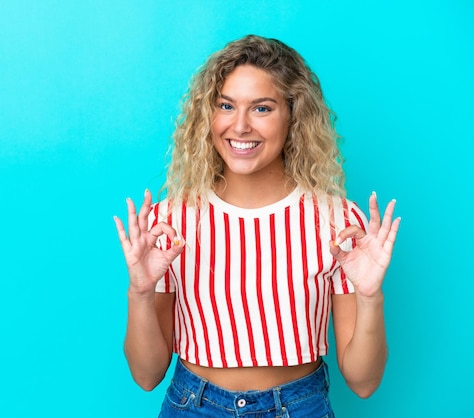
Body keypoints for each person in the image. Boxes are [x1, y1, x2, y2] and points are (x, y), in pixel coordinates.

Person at [114, 35, 400, 417]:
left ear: (293, 115)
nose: (241, 125)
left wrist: (369, 298)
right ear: (208, 116)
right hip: (193, 406)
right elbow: (147, 376)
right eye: (226, 106)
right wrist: (141, 292)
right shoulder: (169, 223)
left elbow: (364, 383)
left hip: (300, 407)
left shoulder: (339, 222)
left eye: (262, 108)